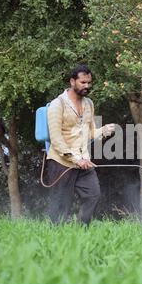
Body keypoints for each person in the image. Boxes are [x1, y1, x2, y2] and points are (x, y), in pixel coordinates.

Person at [45, 65, 115, 225]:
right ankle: (54, 238)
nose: (87, 86)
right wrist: (76, 159)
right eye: (83, 82)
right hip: (61, 162)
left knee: (93, 195)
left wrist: (102, 130)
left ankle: (82, 230)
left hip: (84, 162)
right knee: (61, 205)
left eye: (89, 83)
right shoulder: (58, 104)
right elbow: (56, 139)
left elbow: (88, 133)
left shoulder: (89, 103)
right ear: (72, 81)